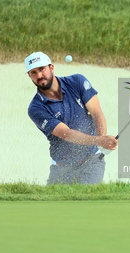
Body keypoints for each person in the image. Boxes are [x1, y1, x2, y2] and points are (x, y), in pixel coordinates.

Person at [25, 52, 118, 185]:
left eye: (42, 69)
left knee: (86, 202)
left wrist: (101, 141)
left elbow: (96, 112)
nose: (39, 75)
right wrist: (100, 140)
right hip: (61, 169)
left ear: (51, 68)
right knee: (51, 205)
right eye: (33, 72)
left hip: (92, 162)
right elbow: (66, 134)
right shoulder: (36, 108)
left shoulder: (77, 82)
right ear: (29, 76)